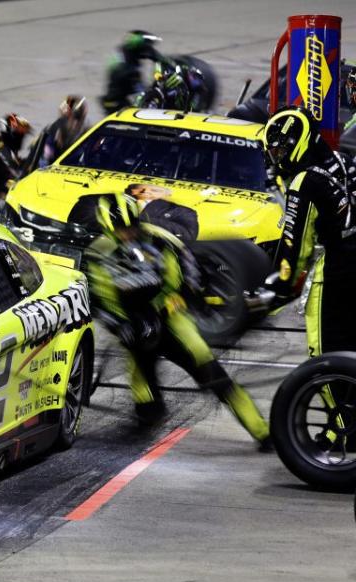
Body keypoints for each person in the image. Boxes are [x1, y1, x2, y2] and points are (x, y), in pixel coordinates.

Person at [85, 192, 270, 448]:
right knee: (142, 386)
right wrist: (122, 324)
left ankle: (262, 431)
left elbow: (188, 277)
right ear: (108, 228)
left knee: (214, 374)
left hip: (170, 320)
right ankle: (146, 421)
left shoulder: (162, 239)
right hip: (136, 325)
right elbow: (99, 298)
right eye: (121, 231)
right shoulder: (98, 253)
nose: (129, 235)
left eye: (132, 228)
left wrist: (166, 304)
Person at [262, 106, 356, 358]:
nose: (278, 158)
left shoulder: (303, 181)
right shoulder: (344, 160)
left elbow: (295, 244)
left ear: (296, 142)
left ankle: (336, 397)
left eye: (279, 150)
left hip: (338, 272)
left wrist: (281, 285)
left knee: (327, 355)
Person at [101, 30, 165, 114]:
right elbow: (139, 90)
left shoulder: (124, 55)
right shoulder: (128, 69)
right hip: (118, 104)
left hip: (116, 98)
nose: (145, 52)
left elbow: (154, 56)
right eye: (143, 49)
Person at [27, 95, 89, 171]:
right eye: (75, 117)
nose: (75, 123)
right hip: (49, 166)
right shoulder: (56, 128)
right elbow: (46, 155)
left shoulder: (85, 129)